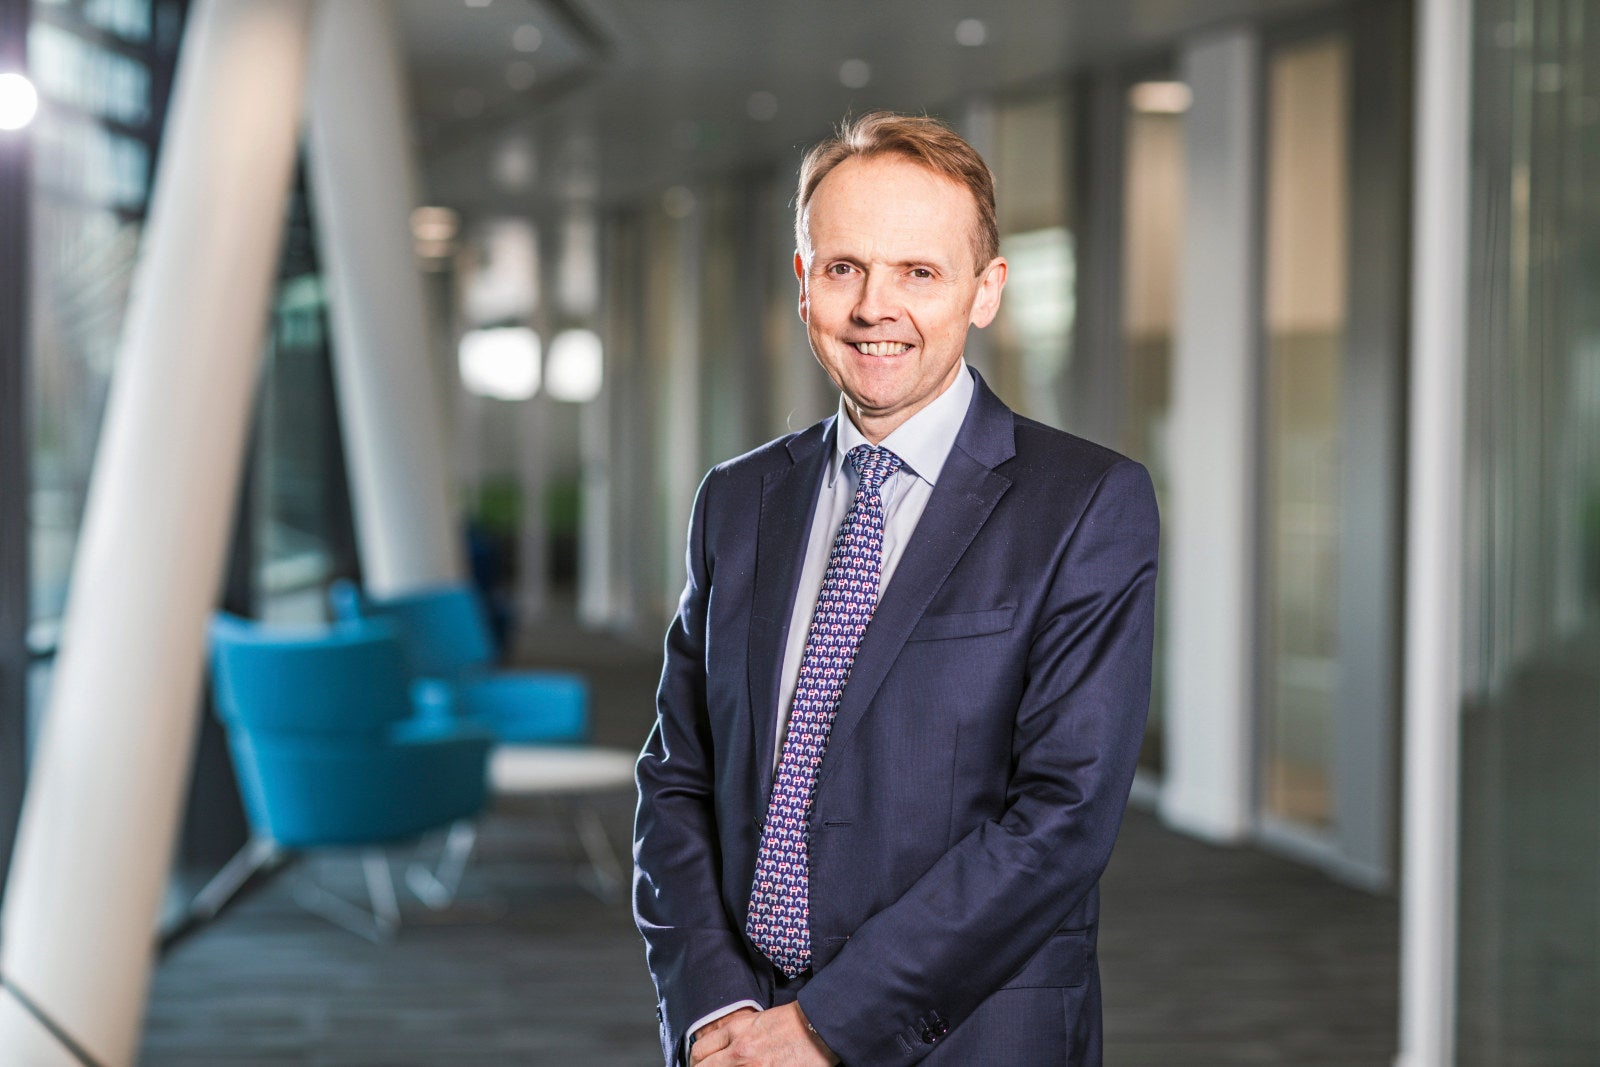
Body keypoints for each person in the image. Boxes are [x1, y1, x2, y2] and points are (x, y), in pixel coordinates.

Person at [633, 111, 1158, 1066]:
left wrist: (824, 1025)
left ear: (985, 290)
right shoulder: (738, 500)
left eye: (919, 272)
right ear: (804, 283)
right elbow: (679, 776)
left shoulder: (1085, 504)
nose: (877, 307)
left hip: (967, 1036)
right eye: (845, 268)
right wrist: (713, 1007)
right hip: (742, 1036)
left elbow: (1061, 820)